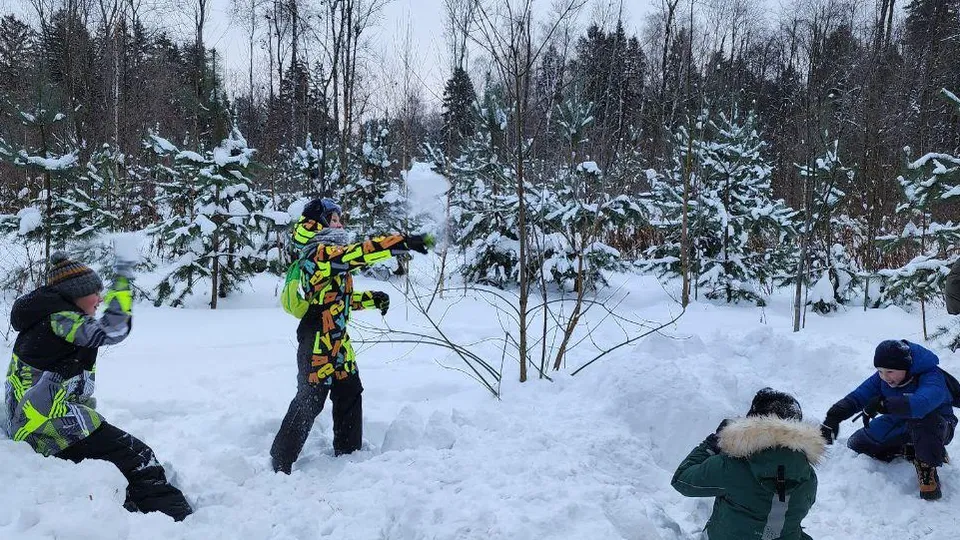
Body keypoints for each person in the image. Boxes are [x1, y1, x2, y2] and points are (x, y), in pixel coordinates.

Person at [4, 252, 193, 521]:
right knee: (140, 458)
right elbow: (113, 330)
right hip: (50, 424)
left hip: (31, 423)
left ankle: (126, 511)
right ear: (75, 294)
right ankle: (181, 522)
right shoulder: (62, 320)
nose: (100, 298)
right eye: (95, 292)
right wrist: (124, 276)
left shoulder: (46, 319)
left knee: (111, 458)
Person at [270, 197, 434, 474]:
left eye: (338, 218)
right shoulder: (318, 255)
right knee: (310, 400)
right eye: (333, 219)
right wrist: (402, 243)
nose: (339, 223)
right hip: (317, 340)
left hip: (337, 339)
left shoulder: (331, 254)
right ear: (317, 223)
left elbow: (336, 298)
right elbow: (361, 253)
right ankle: (280, 461)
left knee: (350, 390)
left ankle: (349, 454)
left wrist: (371, 299)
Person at [671, 388, 822, 540]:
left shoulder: (733, 466)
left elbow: (681, 480)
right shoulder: (808, 477)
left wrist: (713, 444)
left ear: (752, 422)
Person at [820, 339, 957, 500]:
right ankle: (910, 449)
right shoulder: (883, 378)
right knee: (858, 443)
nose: (884, 377)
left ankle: (928, 464)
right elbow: (858, 396)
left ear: (905, 367)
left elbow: (922, 404)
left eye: (890, 372)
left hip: (937, 424)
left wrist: (884, 404)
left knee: (923, 422)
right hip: (899, 419)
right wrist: (833, 417)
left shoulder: (931, 376)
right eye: (879, 371)